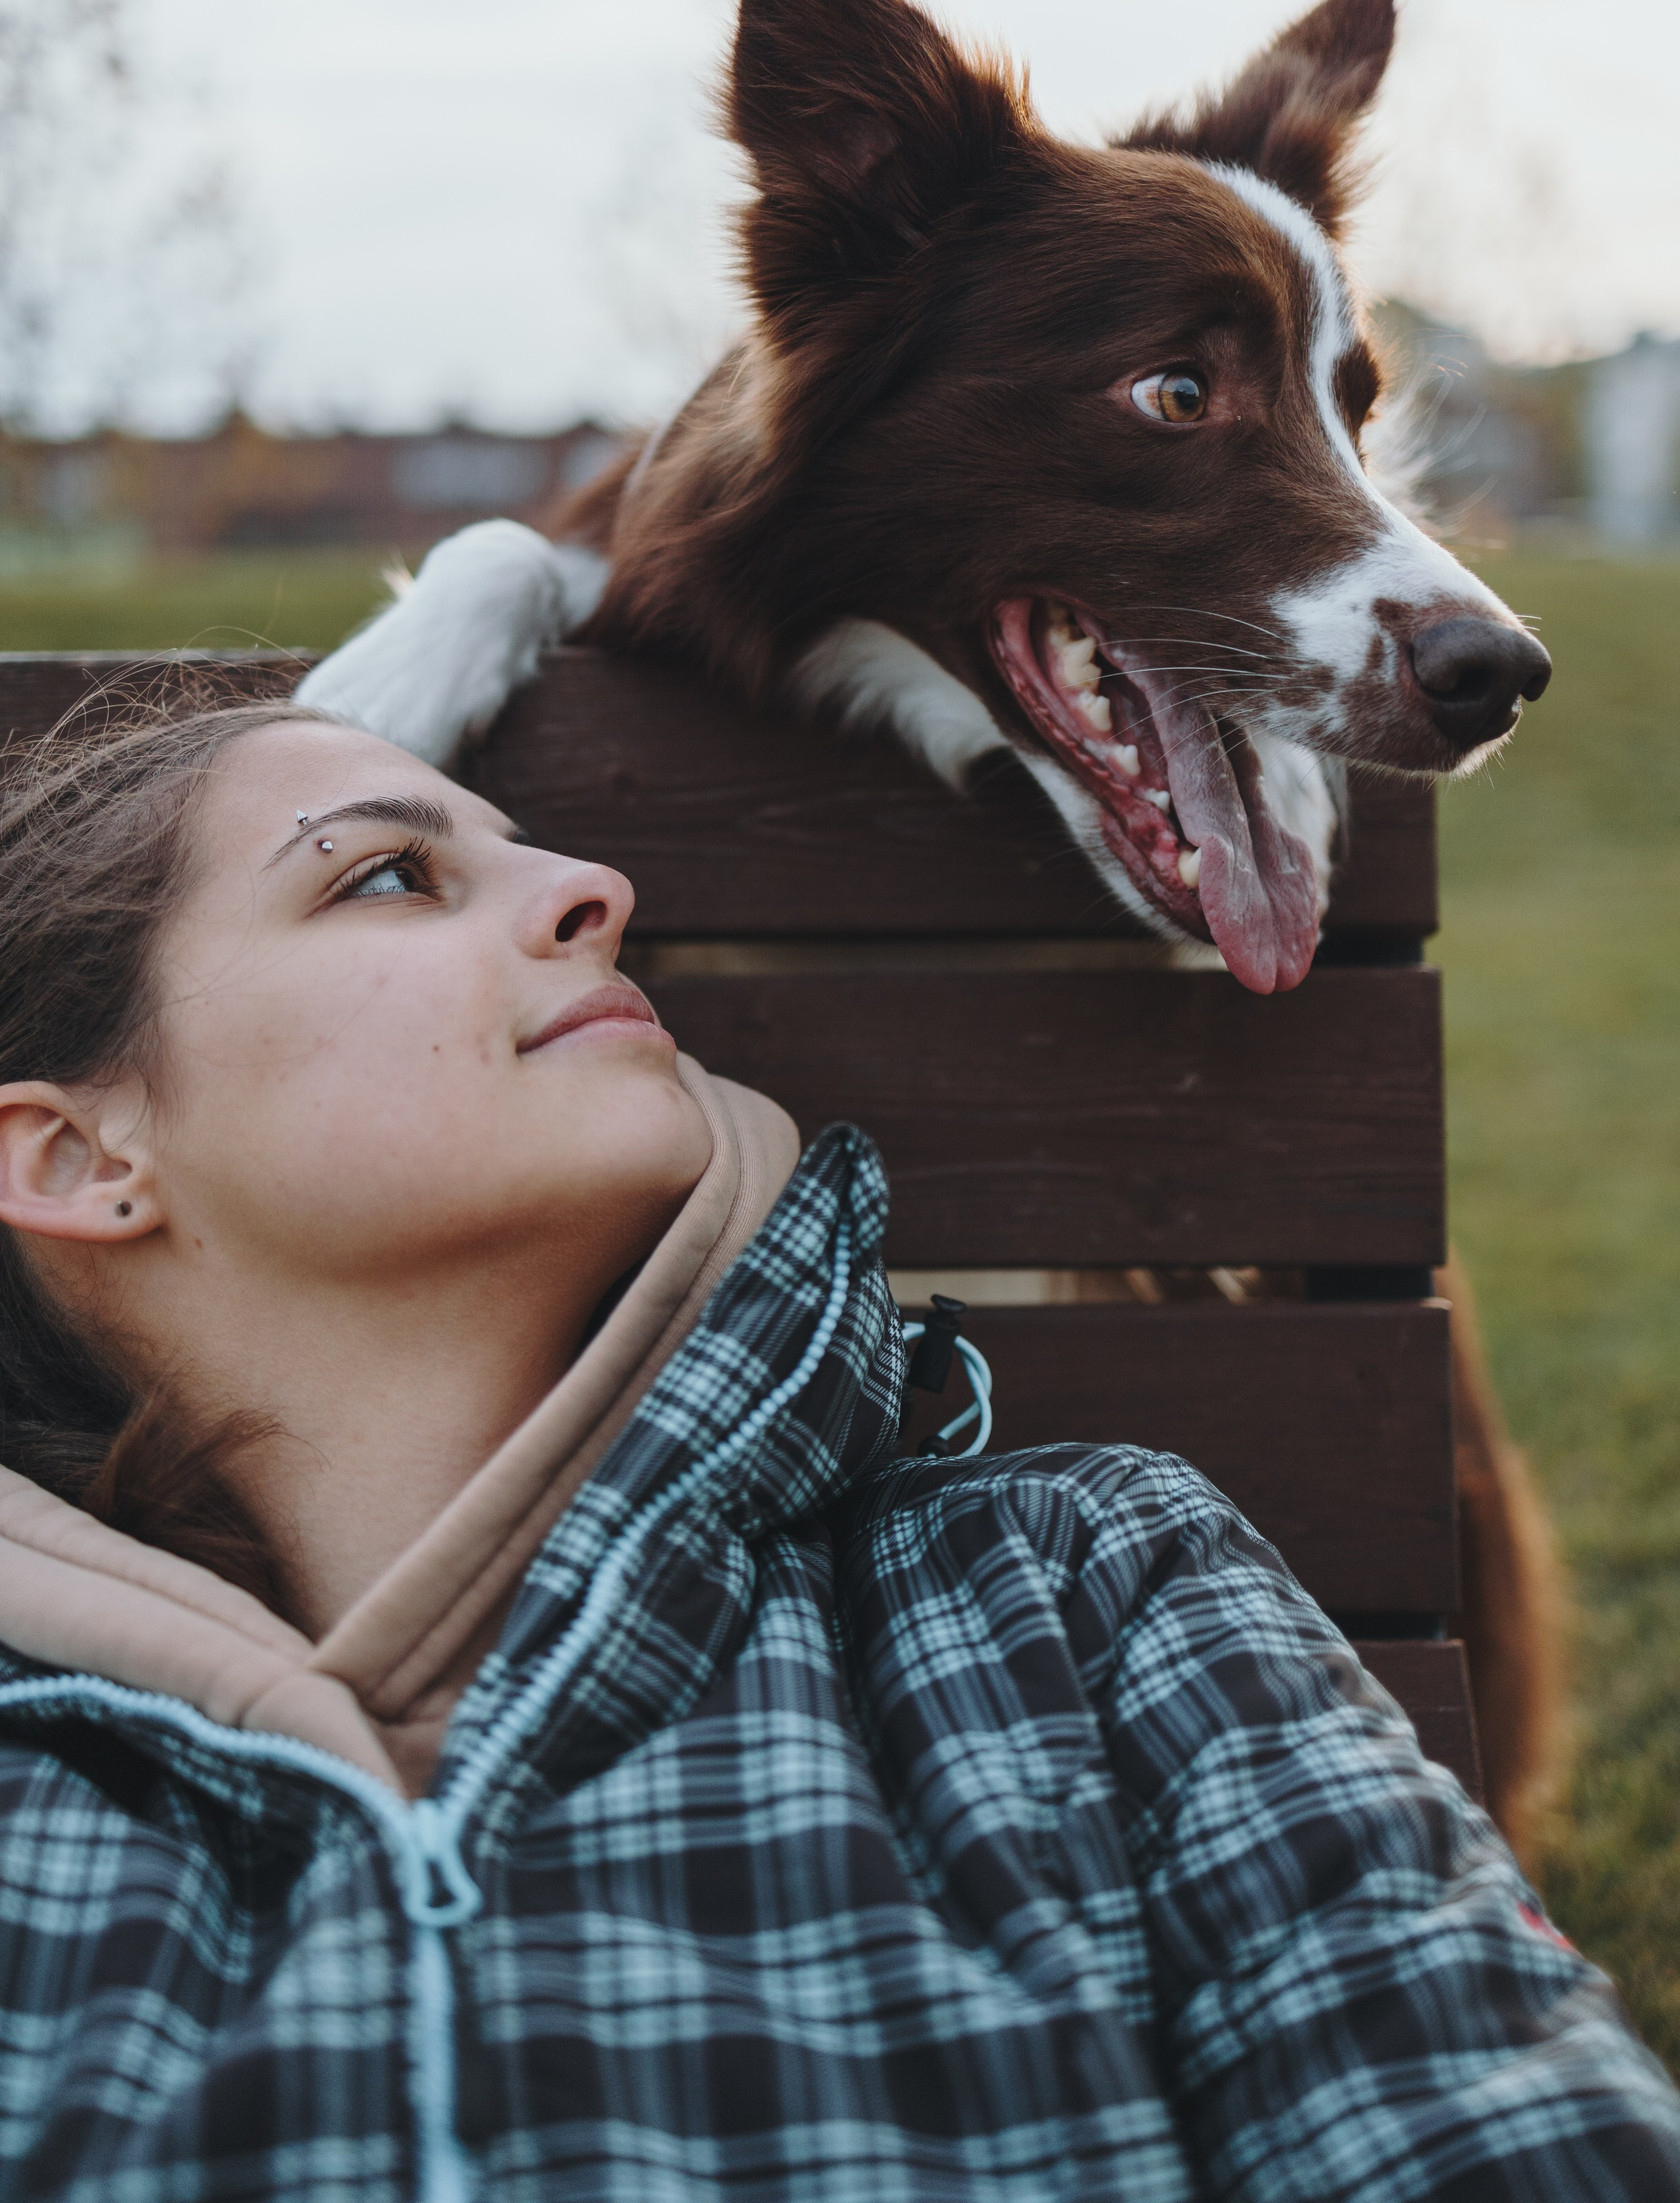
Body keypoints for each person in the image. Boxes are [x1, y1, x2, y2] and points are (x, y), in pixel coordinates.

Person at [0, 695, 1673, 2203]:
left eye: (527, 852)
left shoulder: (1074, 1590)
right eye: (385, 877)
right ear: (78, 1160)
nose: (594, 888)